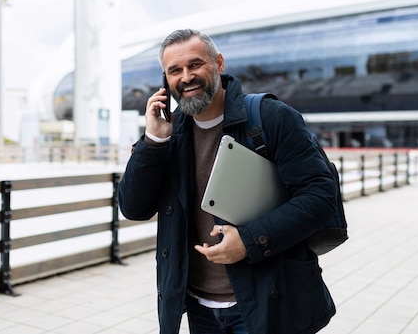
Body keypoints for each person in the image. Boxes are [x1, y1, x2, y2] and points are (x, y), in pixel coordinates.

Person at [118, 29, 336, 334]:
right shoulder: (169, 135)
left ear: (219, 63)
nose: (186, 77)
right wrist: (153, 141)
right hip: (197, 307)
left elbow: (320, 197)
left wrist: (249, 242)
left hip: (266, 300)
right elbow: (133, 207)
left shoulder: (271, 117)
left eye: (195, 65)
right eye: (175, 70)